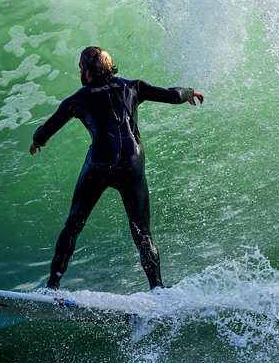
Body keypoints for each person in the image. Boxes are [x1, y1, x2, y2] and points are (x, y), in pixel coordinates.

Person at [29, 46, 203, 291]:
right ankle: (158, 289)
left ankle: (52, 286)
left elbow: (46, 129)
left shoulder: (78, 99)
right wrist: (189, 92)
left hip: (100, 162)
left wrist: (38, 141)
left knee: (74, 225)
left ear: (89, 73)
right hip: (132, 162)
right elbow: (174, 95)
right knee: (142, 233)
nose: (80, 73)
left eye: (81, 69)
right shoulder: (133, 87)